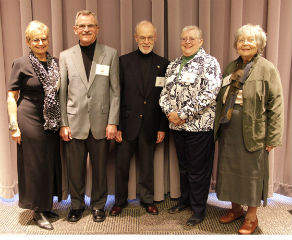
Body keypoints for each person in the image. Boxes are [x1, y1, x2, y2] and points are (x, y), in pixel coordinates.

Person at [214, 24, 284, 234]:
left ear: (259, 44)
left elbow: (276, 104)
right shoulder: (229, 67)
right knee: (231, 171)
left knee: (251, 174)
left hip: (254, 131)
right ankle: (235, 209)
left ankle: (251, 217)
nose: (245, 43)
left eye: (250, 40)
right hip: (229, 128)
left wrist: (272, 137)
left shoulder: (267, 68)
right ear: (236, 44)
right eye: (242, 40)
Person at [59, 10, 119, 223]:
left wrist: (113, 121)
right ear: (75, 29)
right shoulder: (65, 56)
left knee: (100, 168)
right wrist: (63, 123)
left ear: (97, 28)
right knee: (75, 169)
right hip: (74, 124)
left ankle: (98, 205)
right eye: (82, 26)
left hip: (101, 123)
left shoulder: (110, 54)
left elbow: (115, 91)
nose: (86, 29)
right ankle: (76, 205)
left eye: (90, 25)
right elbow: (62, 93)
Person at [159, 25, 221, 226]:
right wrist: (170, 113)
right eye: (184, 38)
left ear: (201, 41)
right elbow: (164, 93)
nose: (187, 42)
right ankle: (185, 201)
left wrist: (184, 114)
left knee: (198, 171)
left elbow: (210, 93)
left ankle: (198, 209)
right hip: (177, 127)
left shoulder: (209, 63)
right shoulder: (173, 64)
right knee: (184, 168)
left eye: (192, 38)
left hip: (199, 127)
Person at [109, 21, 169, 216]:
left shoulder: (164, 64)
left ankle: (148, 200)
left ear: (155, 38)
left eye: (149, 37)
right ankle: (119, 201)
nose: (146, 41)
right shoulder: (123, 61)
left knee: (147, 167)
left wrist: (162, 127)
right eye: (142, 37)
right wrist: (116, 125)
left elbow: (163, 100)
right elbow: (115, 95)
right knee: (121, 167)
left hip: (150, 125)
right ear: (136, 38)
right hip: (126, 126)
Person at [7, 20, 62, 230]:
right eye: (36, 39)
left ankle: (47, 204)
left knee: (48, 162)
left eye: (44, 38)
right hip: (28, 117)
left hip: (51, 119)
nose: (41, 43)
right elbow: (11, 97)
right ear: (28, 42)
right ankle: (37, 210)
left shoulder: (55, 62)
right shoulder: (20, 63)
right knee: (35, 164)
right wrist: (14, 126)